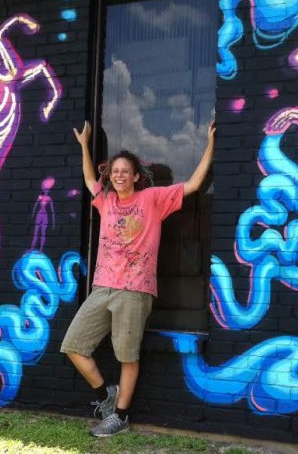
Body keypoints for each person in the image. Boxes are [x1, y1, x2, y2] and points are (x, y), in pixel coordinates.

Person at [61, 119, 215, 437]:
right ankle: (106, 395)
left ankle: (121, 416)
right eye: (114, 171)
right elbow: (90, 178)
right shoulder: (106, 200)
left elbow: (194, 185)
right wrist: (83, 146)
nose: (118, 176)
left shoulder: (153, 199)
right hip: (103, 286)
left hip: (134, 289)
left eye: (124, 172)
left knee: (127, 356)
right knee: (73, 345)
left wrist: (211, 144)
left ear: (135, 177)